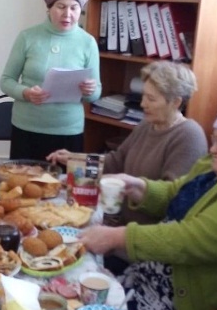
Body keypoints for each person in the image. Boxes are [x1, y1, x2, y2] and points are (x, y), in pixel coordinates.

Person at [78, 95, 217, 310]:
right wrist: (138, 187)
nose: (213, 148)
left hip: (174, 306)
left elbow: (188, 240)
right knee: (78, 304)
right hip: (143, 276)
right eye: (214, 139)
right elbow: (174, 192)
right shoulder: (213, 167)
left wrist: (118, 237)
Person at [47, 61, 208, 225]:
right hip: (121, 222)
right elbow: (116, 161)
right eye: (143, 96)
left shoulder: (189, 136)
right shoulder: (146, 125)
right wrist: (76, 160)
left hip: (149, 232)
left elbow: (173, 201)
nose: (142, 104)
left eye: (151, 99)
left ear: (176, 102)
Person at [0, 0, 102, 161]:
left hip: (68, 130)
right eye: (61, 7)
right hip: (26, 128)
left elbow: (95, 93)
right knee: (23, 178)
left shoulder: (88, 42)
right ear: (49, 8)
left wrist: (89, 90)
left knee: (63, 180)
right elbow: (6, 81)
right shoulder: (27, 37)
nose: (67, 14)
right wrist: (26, 93)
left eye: (74, 8)